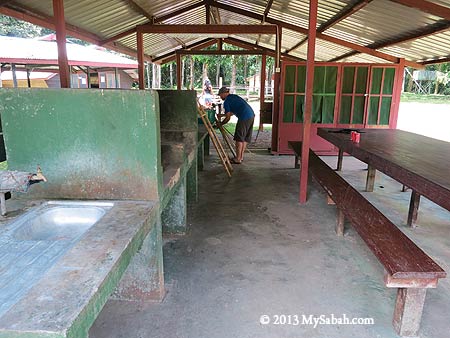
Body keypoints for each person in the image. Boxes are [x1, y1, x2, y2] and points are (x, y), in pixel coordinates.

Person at [217, 86, 255, 164]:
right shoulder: (234, 97)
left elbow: (228, 118)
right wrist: (222, 115)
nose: (220, 97)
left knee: (239, 138)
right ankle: (240, 157)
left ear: (224, 93)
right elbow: (233, 112)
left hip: (244, 117)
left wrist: (221, 124)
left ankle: (238, 158)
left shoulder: (227, 101)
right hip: (251, 115)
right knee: (244, 138)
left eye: (220, 95)